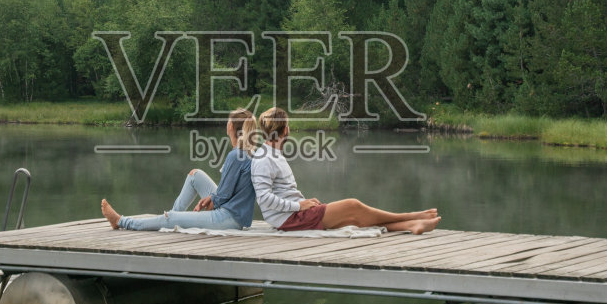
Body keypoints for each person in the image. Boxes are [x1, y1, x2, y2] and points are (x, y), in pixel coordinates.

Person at [250, 106, 440, 233]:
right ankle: (410, 216)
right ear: (284, 130)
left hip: (294, 214)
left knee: (354, 219)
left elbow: (281, 193)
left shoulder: (273, 155)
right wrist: (299, 206)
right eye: (288, 125)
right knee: (352, 206)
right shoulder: (264, 158)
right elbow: (264, 198)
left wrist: (302, 202)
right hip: (289, 218)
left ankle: (411, 224)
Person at [102, 109, 258, 231]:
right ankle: (171, 218)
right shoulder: (247, 152)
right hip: (234, 212)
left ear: (230, 126)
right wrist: (213, 198)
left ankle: (121, 222)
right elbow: (227, 192)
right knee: (195, 176)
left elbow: (222, 196)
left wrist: (212, 200)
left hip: (228, 218)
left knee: (172, 217)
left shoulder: (237, 155)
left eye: (228, 120)